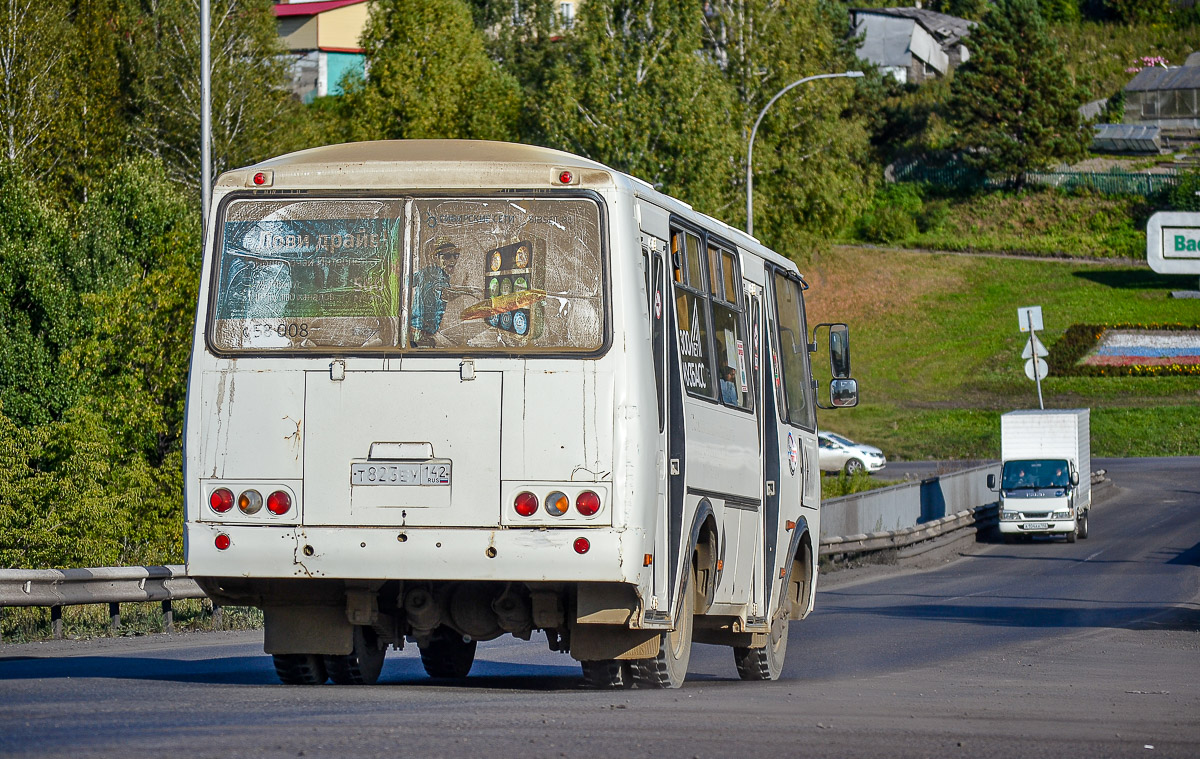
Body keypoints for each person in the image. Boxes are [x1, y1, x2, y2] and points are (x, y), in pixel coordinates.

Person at [410, 238, 462, 347]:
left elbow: (407, 281)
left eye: (455, 256)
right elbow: (446, 294)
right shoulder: (437, 276)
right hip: (421, 332)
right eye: (447, 256)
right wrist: (469, 290)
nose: (452, 260)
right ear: (436, 258)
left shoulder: (425, 272)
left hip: (418, 329)